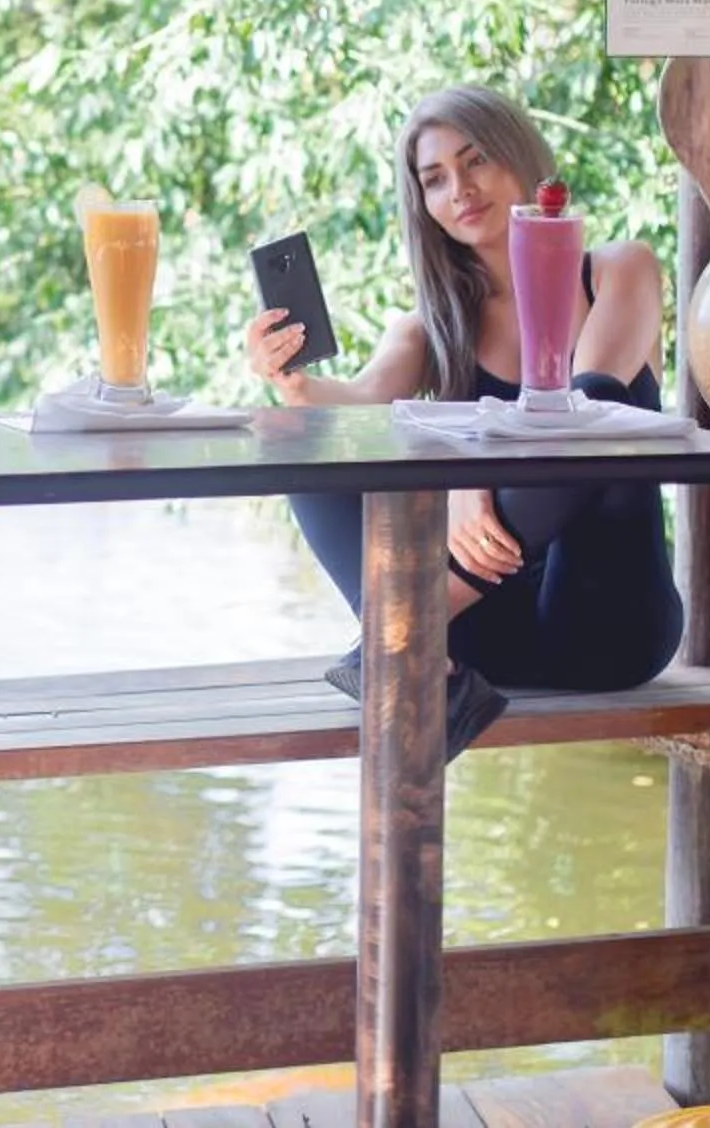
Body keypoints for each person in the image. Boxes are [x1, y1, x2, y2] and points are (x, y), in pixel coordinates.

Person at [242, 85, 678, 759]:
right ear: (425, 207)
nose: (461, 190)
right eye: (435, 180)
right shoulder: (427, 330)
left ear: (520, 158)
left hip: (607, 623)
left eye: (476, 162)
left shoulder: (621, 270)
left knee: (589, 404)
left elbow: (576, 416)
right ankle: (415, 637)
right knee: (305, 437)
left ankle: (398, 631)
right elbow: (356, 407)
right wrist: (294, 382)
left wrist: (469, 478)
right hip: (482, 638)